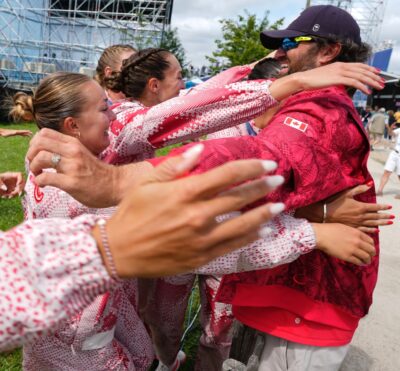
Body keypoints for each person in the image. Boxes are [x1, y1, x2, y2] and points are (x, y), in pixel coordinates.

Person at [143, 5, 387, 371]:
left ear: (328, 51)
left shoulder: (318, 110)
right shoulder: (312, 100)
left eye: (291, 42)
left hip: (304, 310)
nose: (280, 52)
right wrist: (318, 214)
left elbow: (263, 166)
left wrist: (147, 177)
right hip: (291, 295)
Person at [0, 149, 286, 353]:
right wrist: (104, 246)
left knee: (141, 347)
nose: (111, 115)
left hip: (103, 302)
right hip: (79, 326)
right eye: (102, 109)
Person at [377, 126, 400, 197]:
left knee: (399, 175)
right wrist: (389, 128)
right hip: (394, 152)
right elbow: (391, 134)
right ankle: (380, 191)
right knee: (387, 171)